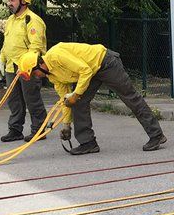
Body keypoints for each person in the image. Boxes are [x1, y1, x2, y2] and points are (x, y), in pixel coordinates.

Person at [15, 44, 165, 155]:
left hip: (105, 63)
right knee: (78, 103)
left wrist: (76, 94)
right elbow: (65, 100)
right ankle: (88, 143)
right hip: (90, 71)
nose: (35, 77)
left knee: (130, 97)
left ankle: (156, 135)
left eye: (33, 73)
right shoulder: (53, 77)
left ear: (39, 64)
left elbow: (84, 70)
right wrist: (66, 125)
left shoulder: (56, 55)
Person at [0, 0, 48, 142]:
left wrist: (26, 66)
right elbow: (7, 44)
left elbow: (36, 47)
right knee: (14, 101)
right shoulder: (11, 20)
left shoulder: (32, 20)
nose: (9, 3)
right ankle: (15, 130)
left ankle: (39, 130)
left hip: (29, 68)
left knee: (32, 99)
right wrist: (1, 61)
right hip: (11, 66)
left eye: (12, 0)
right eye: (8, 0)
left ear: (23, 1)